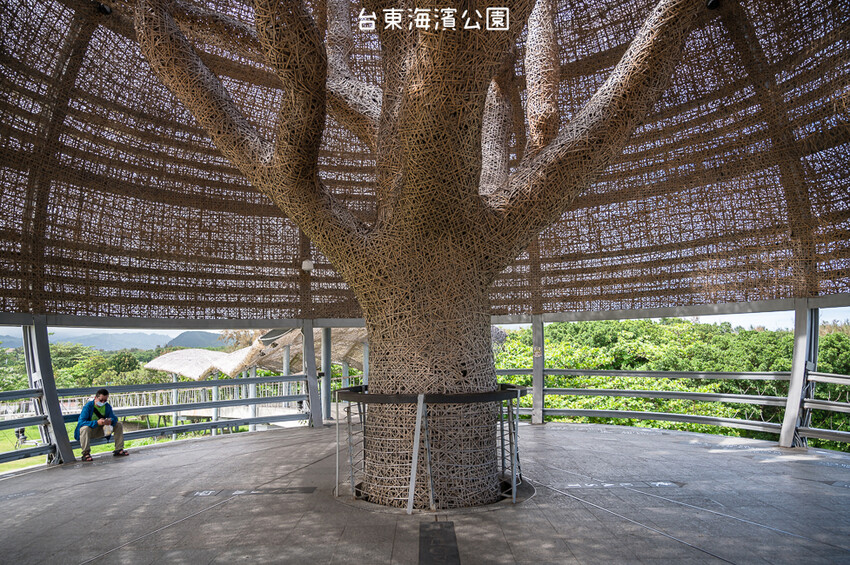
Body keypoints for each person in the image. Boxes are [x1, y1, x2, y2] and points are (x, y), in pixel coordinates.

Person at [75, 388, 128, 461]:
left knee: (118, 424)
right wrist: (96, 422)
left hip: (103, 430)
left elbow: (114, 418)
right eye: (101, 400)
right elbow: (81, 422)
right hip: (90, 431)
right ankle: (86, 453)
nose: (103, 402)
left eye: (105, 401)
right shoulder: (88, 407)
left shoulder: (107, 406)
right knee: (85, 428)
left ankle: (119, 449)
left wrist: (110, 421)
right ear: (95, 398)